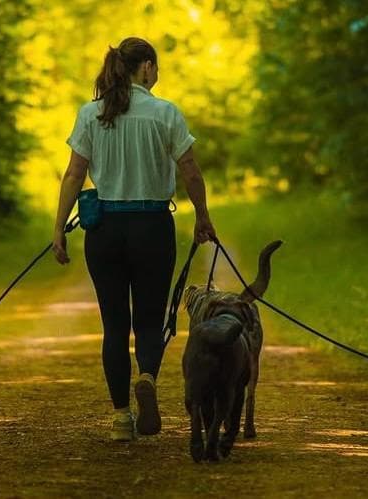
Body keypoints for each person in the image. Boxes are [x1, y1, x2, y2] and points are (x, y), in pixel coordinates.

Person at [51, 37, 216, 441]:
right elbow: (191, 171)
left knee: (113, 324)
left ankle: (121, 417)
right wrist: (203, 217)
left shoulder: (91, 114)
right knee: (148, 319)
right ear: (144, 67)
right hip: (152, 228)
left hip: (104, 229)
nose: (156, 75)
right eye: (154, 67)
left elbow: (74, 174)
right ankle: (146, 376)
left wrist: (58, 229)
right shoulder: (165, 114)